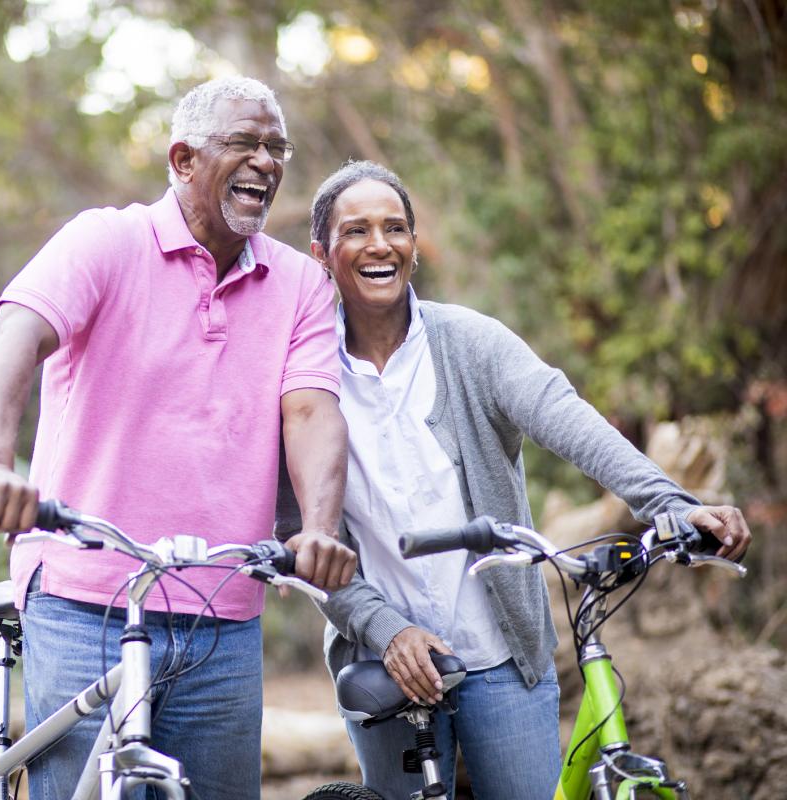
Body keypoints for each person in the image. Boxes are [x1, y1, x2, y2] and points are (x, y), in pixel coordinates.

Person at [277, 160, 752, 799]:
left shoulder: (472, 343)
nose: (379, 244)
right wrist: (386, 631)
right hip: (379, 659)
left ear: (415, 247)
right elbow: (301, 535)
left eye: (395, 228)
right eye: (356, 231)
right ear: (322, 253)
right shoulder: (304, 374)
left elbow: (567, 418)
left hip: (500, 654)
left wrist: (667, 501)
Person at [0, 77, 358, 800]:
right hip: (87, 598)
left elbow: (311, 412)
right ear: (182, 159)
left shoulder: (301, 282)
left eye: (277, 147)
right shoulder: (106, 241)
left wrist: (321, 530)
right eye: (244, 143)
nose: (267, 162)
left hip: (223, 613)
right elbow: (11, 339)